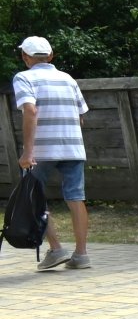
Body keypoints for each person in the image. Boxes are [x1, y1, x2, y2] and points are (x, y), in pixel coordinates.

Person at [11, 35, 91, 271]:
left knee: (34, 198)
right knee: (76, 198)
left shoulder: (24, 78)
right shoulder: (68, 79)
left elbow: (30, 110)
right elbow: (81, 117)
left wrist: (27, 152)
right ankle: (82, 255)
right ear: (51, 56)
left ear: (25, 57)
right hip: (73, 147)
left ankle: (56, 249)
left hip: (42, 150)